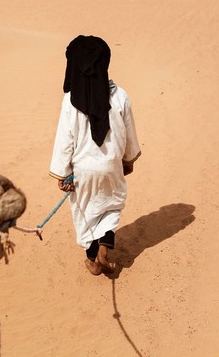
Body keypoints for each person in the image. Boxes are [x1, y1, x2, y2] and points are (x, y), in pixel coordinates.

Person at [49, 35, 141, 276]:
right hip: (111, 166)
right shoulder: (119, 95)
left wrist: (62, 172)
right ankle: (104, 247)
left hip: (83, 171)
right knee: (111, 205)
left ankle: (92, 258)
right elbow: (129, 133)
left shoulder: (70, 101)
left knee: (85, 212)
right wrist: (127, 160)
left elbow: (65, 139)